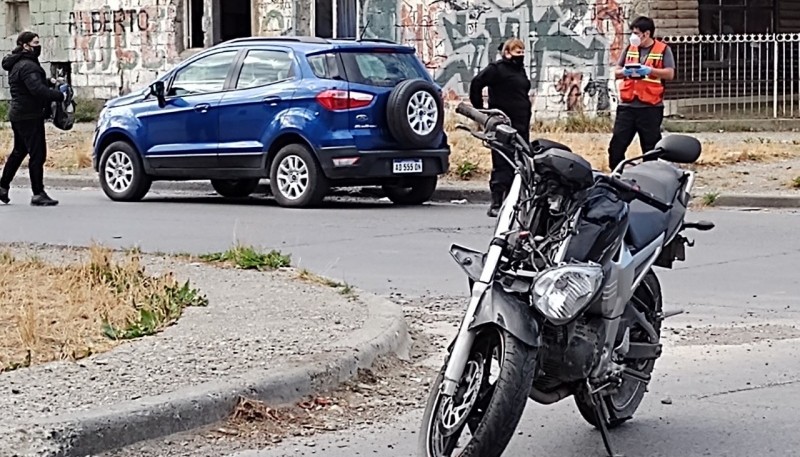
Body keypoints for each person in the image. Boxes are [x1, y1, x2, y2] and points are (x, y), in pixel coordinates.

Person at [0, 31, 68, 206]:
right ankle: (38, 193)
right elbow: (36, 90)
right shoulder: (28, 65)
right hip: (29, 116)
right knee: (38, 155)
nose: (39, 46)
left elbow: (32, 83)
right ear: (26, 45)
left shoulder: (17, 63)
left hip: (19, 114)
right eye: (35, 43)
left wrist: (49, 81)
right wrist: (59, 95)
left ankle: (2, 187)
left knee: (19, 152)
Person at [469, 37, 532, 217]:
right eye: (517, 52)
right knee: (502, 161)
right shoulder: (497, 69)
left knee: (519, 161)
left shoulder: (520, 71)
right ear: (507, 53)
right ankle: (496, 202)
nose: (520, 56)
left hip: (521, 124)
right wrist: (481, 110)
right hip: (502, 124)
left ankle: (512, 201)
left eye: (522, 52)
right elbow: (476, 83)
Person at [608, 16, 675, 172]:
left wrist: (650, 70)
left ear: (646, 34)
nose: (633, 36)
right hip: (627, 106)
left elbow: (670, 74)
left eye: (636, 33)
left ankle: (649, 178)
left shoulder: (663, 50)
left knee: (650, 149)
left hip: (650, 107)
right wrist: (623, 72)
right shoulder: (629, 49)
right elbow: (616, 72)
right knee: (616, 146)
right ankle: (617, 175)